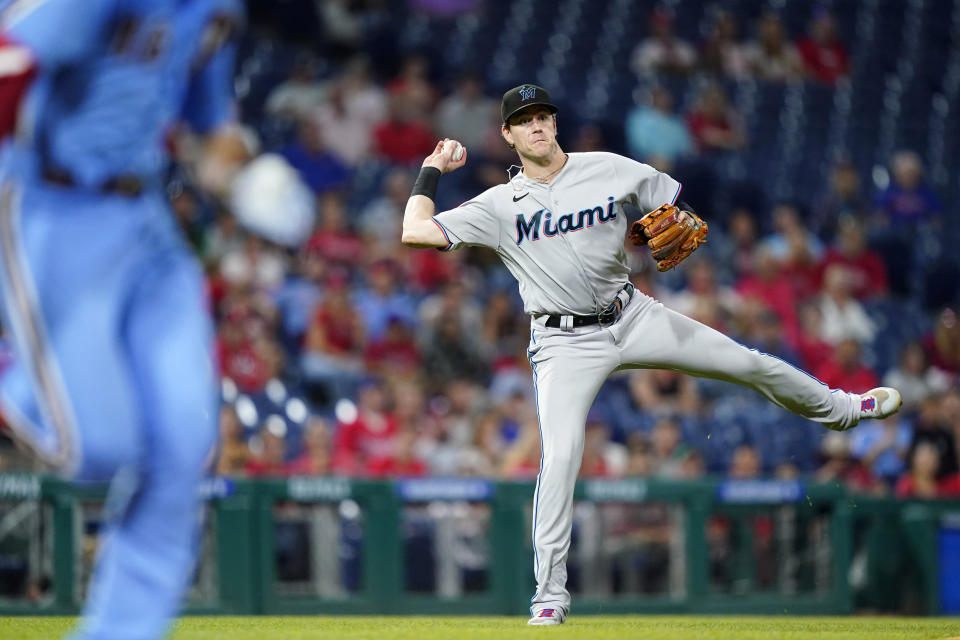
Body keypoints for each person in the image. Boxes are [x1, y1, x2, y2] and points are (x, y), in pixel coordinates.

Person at [400, 83, 903, 626]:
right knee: (562, 455)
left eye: (544, 115)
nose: (537, 125)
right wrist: (431, 170)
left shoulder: (609, 167)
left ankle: (845, 410)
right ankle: (549, 595)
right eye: (524, 121)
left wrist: (669, 216)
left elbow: (671, 201)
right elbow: (413, 231)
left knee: (747, 361)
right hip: (564, 343)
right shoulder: (498, 205)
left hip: (633, 314)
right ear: (507, 134)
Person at [0, 2, 244, 639]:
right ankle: (12, 373)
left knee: (184, 450)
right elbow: (8, 66)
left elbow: (210, 123)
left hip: (149, 224)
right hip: (53, 207)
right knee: (97, 450)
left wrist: (243, 173)